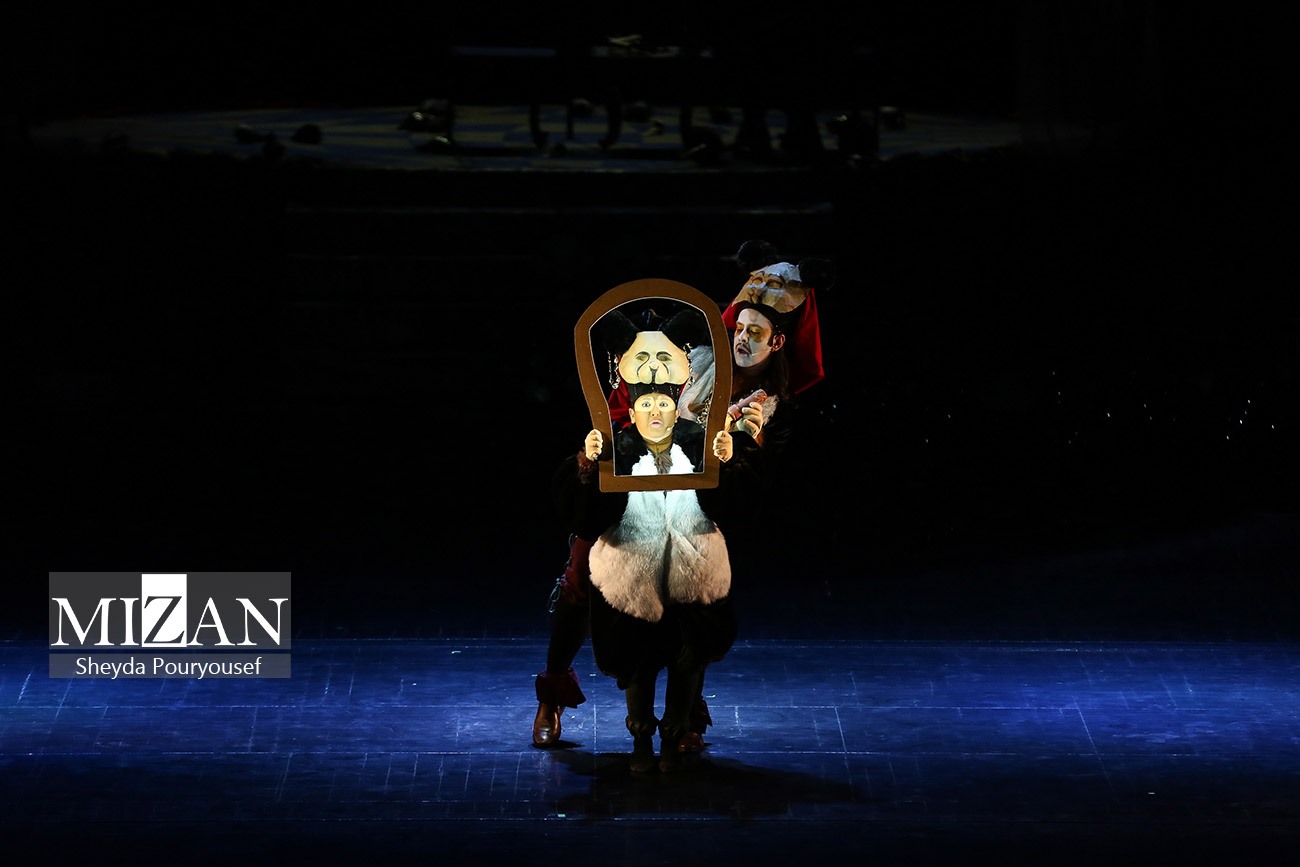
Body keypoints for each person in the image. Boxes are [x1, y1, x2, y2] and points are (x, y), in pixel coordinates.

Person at [531, 242, 831, 750]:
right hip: (636, 481)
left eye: (756, 333)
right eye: (738, 328)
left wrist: (740, 447)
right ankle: (552, 691)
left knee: (692, 591)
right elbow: (632, 394)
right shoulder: (694, 362)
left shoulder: (772, 406)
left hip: (697, 504)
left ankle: (686, 705)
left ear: (778, 342)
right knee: (581, 577)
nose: (742, 339)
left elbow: (753, 483)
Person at [553, 304, 761, 773]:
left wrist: (730, 461)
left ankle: (676, 731)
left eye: (663, 403)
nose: (654, 409)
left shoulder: (696, 440)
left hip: (691, 570)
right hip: (633, 572)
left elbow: (737, 505)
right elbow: (585, 514)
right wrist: (588, 466)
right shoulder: (619, 442)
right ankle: (641, 740)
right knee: (638, 659)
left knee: (688, 655)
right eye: (645, 403)